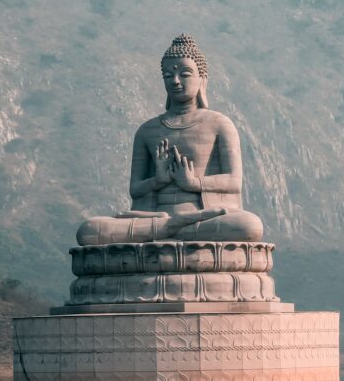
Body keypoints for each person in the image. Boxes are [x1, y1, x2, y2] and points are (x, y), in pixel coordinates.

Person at [76, 34, 264, 245]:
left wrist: (194, 183)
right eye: (168, 75)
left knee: (249, 226)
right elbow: (135, 189)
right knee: (90, 230)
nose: (175, 81)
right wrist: (158, 180)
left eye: (184, 74)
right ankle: (169, 228)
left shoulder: (220, 124)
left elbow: (233, 182)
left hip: (203, 216)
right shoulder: (147, 131)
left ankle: (168, 231)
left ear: (202, 79)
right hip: (154, 218)